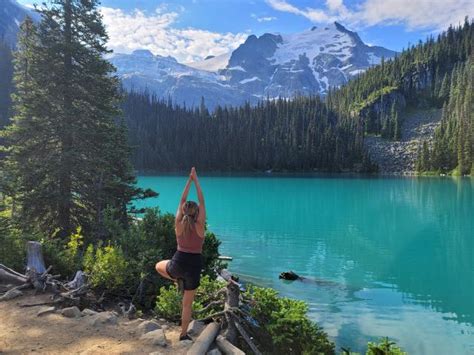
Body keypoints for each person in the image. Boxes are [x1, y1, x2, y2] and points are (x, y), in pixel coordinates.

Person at [155, 167, 206, 341]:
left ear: (183, 211)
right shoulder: (200, 226)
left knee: (159, 266)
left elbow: (182, 199)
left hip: (177, 264)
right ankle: (183, 335)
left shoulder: (178, 224)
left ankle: (177, 279)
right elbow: (202, 201)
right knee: (187, 304)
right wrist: (196, 180)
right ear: (197, 212)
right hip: (194, 267)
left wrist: (189, 181)